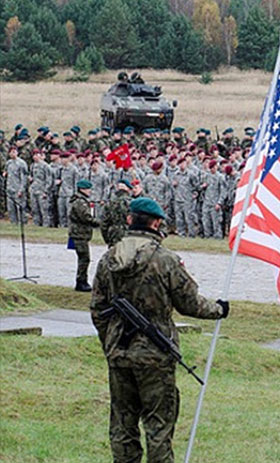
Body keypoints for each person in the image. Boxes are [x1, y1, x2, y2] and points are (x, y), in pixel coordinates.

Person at [90, 197, 229, 463]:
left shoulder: (109, 259)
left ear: (130, 220)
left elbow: (97, 308)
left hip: (119, 353)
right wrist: (219, 310)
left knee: (122, 423)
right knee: (159, 426)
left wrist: (110, 342)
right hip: (155, 355)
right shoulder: (165, 260)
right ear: (156, 224)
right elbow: (190, 304)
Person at [69, 179, 100, 291]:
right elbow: (86, 217)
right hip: (79, 234)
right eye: (88, 189)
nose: (90, 191)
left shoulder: (79, 200)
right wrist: (99, 223)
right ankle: (81, 282)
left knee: (83, 258)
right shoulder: (80, 202)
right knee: (84, 258)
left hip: (79, 233)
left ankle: (82, 281)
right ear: (82, 189)